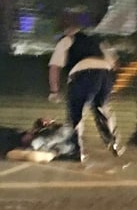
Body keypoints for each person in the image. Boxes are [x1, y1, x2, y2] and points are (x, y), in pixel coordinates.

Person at [47, 19, 125, 161]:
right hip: (105, 73)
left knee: (76, 112)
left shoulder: (66, 40)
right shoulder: (98, 41)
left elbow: (54, 67)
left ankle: (76, 150)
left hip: (83, 74)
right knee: (102, 108)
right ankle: (114, 142)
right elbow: (115, 63)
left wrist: (54, 91)